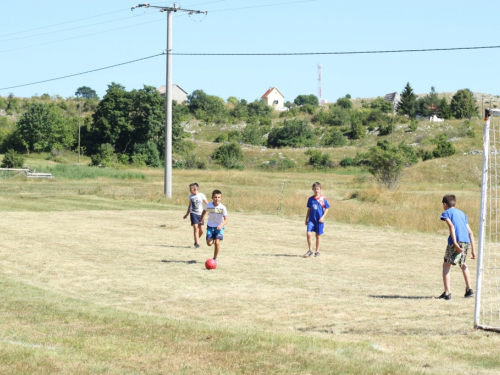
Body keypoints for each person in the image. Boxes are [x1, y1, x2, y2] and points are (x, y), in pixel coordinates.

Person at [438, 194, 476, 300]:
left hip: (456, 242)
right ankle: (469, 290)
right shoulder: (462, 213)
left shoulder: (446, 213)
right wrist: (473, 249)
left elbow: (451, 226)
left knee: (446, 264)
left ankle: (447, 293)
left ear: (445, 204)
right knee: (463, 263)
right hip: (466, 242)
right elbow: (471, 232)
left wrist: (455, 243)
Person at [199, 189, 228, 263]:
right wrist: (200, 220)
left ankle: (215, 258)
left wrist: (221, 225)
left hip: (219, 227)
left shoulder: (223, 208)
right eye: (215, 197)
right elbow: (203, 212)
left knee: (217, 242)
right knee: (209, 243)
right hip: (210, 227)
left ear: (221, 198)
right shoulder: (208, 205)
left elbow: (226, 220)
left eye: (218, 197)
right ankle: (212, 239)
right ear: (212, 198)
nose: (217, 199)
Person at [303, 182, 330, 258]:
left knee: (318, 236)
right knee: (308, 234)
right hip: (311, 220)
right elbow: (309, 209)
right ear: (312, 189)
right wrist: (306, 219)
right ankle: (310, 250)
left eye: (317, 189)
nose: (316, 190)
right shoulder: (310, 199)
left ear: (320, 189)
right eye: (315, 189)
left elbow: (327, 208)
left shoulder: (323, 199)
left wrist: (322, 217)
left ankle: (317, 251)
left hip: (319, 220)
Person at [183, 183, 208, 249]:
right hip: (193, 213)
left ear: (195, 189)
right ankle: (197, 244)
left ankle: (196, 240)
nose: (189, 190)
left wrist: (210, 211)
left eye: (190, 189)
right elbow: (189, 206)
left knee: (201, 230)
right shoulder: (190, 196)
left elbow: (207, 204)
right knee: (196, 229)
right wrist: (187, 214)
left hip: (200, 214)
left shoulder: (202, 195)